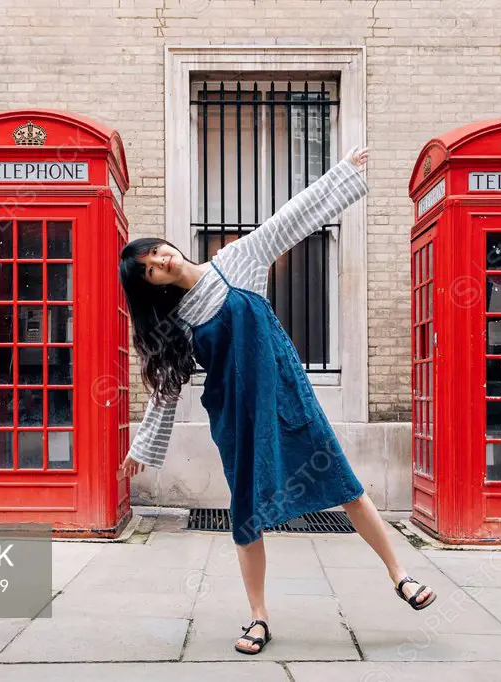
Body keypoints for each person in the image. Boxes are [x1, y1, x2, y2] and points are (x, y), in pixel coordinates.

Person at [118, 146, 436, 655]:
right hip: (237, 420)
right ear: (151, 287)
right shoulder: (174, 323)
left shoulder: (236, 262)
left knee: (345, 485)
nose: (159, 260)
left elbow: (289, 220)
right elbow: (166, 390)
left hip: (287, 399)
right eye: (150, 269)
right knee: (245, 513)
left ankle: (400, 575)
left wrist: (342, 174)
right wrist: (142, 448)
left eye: (155, 251)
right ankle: (259, 617)